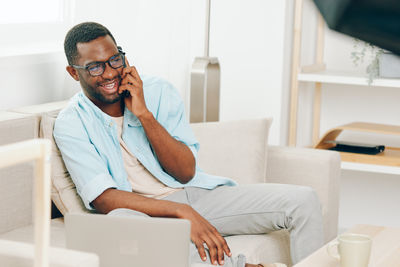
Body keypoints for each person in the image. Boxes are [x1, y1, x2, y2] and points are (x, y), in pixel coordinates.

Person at [54, 22, 324, 267]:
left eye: (115, 59)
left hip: (193, 194)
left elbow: (185, 172)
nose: (110, 72)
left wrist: (145, 115)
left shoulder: (158, 90)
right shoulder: (71, 123)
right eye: (95, 67)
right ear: (73, 73)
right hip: (141, 214)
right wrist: (181, 213)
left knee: (303, 199)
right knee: (121, 224)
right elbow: (104, 199)